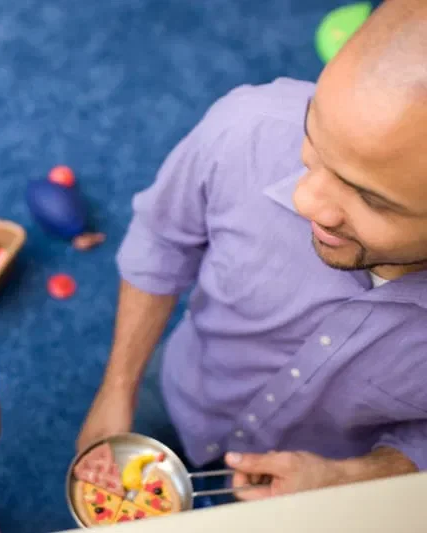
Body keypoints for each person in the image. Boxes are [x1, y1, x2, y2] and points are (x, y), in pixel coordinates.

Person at [77, 0, 427, 502]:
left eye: (370, 198)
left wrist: (358, 479)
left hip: (322, 485)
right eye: (314, 139)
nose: (304, 199)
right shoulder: (249, 127)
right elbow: (161, 239)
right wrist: (117, 387)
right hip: (183, 389)